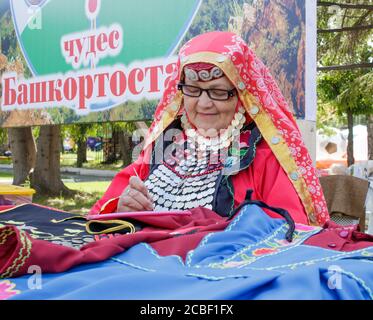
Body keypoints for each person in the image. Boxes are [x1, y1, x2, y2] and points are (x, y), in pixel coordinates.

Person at [90, 31, 329, 226]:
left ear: (242, 95)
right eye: (193, 89)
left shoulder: (264, 154)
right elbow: (102, 214)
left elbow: (290, 233)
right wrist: (122, 209)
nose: (203, 104)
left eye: (218, 91)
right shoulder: (163, 143)